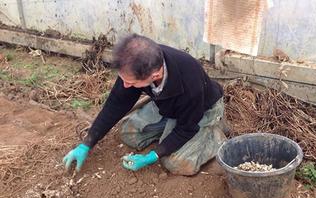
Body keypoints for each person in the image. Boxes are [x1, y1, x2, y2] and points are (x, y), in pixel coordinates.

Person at [63, 34, 226, 175]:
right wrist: (87, 143)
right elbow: (117, 103)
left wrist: (153, 155)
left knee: (175, 163)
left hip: (201, 110)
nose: (125, 85)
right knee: (128, 133)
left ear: (155, 75)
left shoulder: (191, 82)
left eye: (130, 82)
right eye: (123, 79)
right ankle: (167, 131)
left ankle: (213, 134)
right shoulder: (136, 63)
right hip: (167, 106)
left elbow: (186, 128)